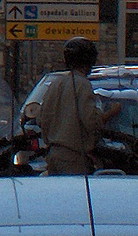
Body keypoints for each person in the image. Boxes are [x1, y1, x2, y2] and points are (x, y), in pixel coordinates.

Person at [35, 35, 108, 174]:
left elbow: (41, 118)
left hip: (53, 155)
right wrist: (109, 113)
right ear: (90, 61)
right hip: (73, 157)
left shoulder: (56, 83)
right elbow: (91, 121)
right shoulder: (82, 84)